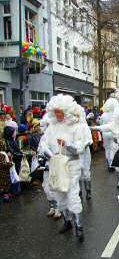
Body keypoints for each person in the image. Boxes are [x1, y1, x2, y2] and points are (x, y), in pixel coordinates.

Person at [40, 94, 87, 242]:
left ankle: (79, 226)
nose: (58, 115)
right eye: (56, 112)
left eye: (61, 112)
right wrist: (49, 154)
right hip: (56, 165)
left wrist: (66, 145)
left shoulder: (76, 127)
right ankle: (67, 221)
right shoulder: (52, 127)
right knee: (59, 194)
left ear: (67, 111)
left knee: (72, 194)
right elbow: (43, 144)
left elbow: (80, 148)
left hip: (72, 165)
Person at [92, 97, 119, 188]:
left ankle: (111, 165)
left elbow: (102, 125)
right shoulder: (114, 121)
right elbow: (104, 126)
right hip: (113, 137)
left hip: (110, 136)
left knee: (109, 149)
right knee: (114, 152)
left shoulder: (104, 115)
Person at [38, 113, 61, 219]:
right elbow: (41, 149)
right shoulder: (43, 137)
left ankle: (58, 209)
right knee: (46, 186)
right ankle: (52, 206)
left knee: (55, 187)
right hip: (47, 164)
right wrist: (41, 157)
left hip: (56, 164)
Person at [99, 99, 117, 171]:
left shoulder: (103, 115)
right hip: (113, 132)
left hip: (105, 133)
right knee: (113, 148)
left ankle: (109, 163)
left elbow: (101, 125)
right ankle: (113, 163)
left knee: (107, 148)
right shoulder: (115, 114)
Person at [79, 107, 93, 200]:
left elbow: (89, 139)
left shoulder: (84, 126)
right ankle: (79, 192)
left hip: (85, 152)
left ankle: (88, 191)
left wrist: (83, 145)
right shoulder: (70, 127)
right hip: (75, 154)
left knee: (86, 173)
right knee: (77, 173)